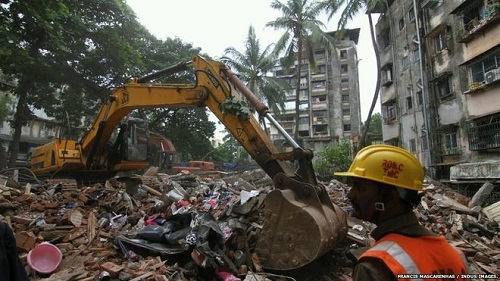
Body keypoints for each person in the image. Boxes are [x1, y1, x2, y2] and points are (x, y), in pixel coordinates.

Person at [335, 144, 469, 281]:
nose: (350, 195)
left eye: (359, 187)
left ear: (390, 199)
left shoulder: (376, 266)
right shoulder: (456, 256)